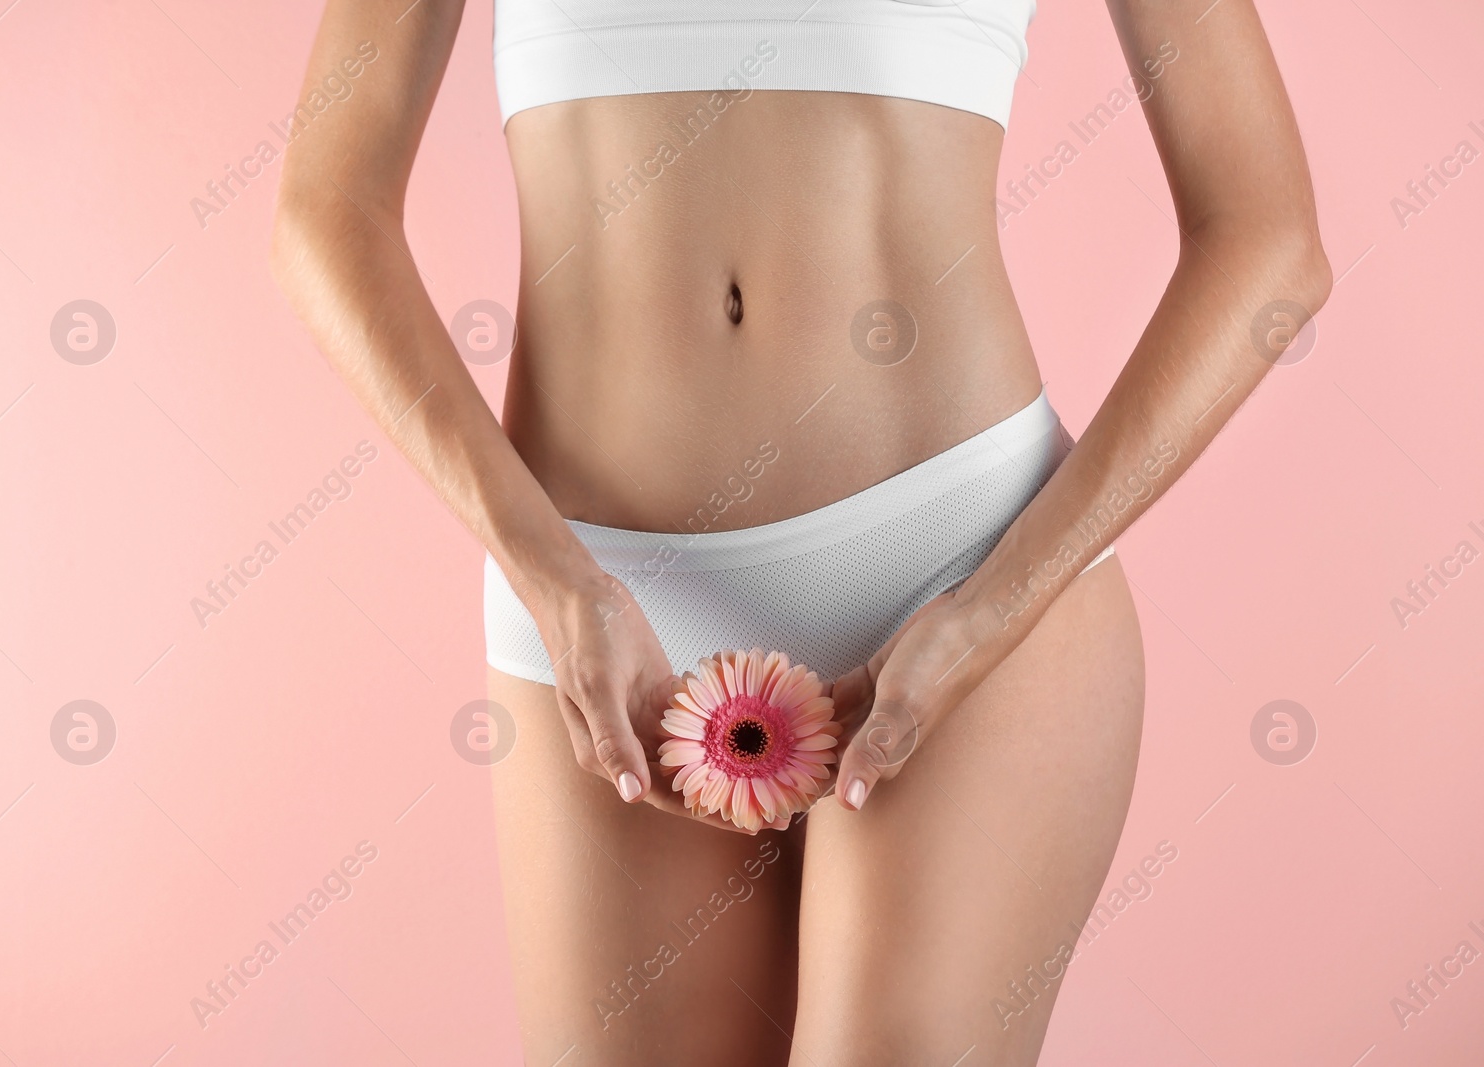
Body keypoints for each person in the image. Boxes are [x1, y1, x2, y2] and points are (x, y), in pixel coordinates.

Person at [271, 0, 1330, 1062]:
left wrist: (992, 605)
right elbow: (326, 208)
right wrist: (553, 578)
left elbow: (1269, 244)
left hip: (963, 559)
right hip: (596, 600)